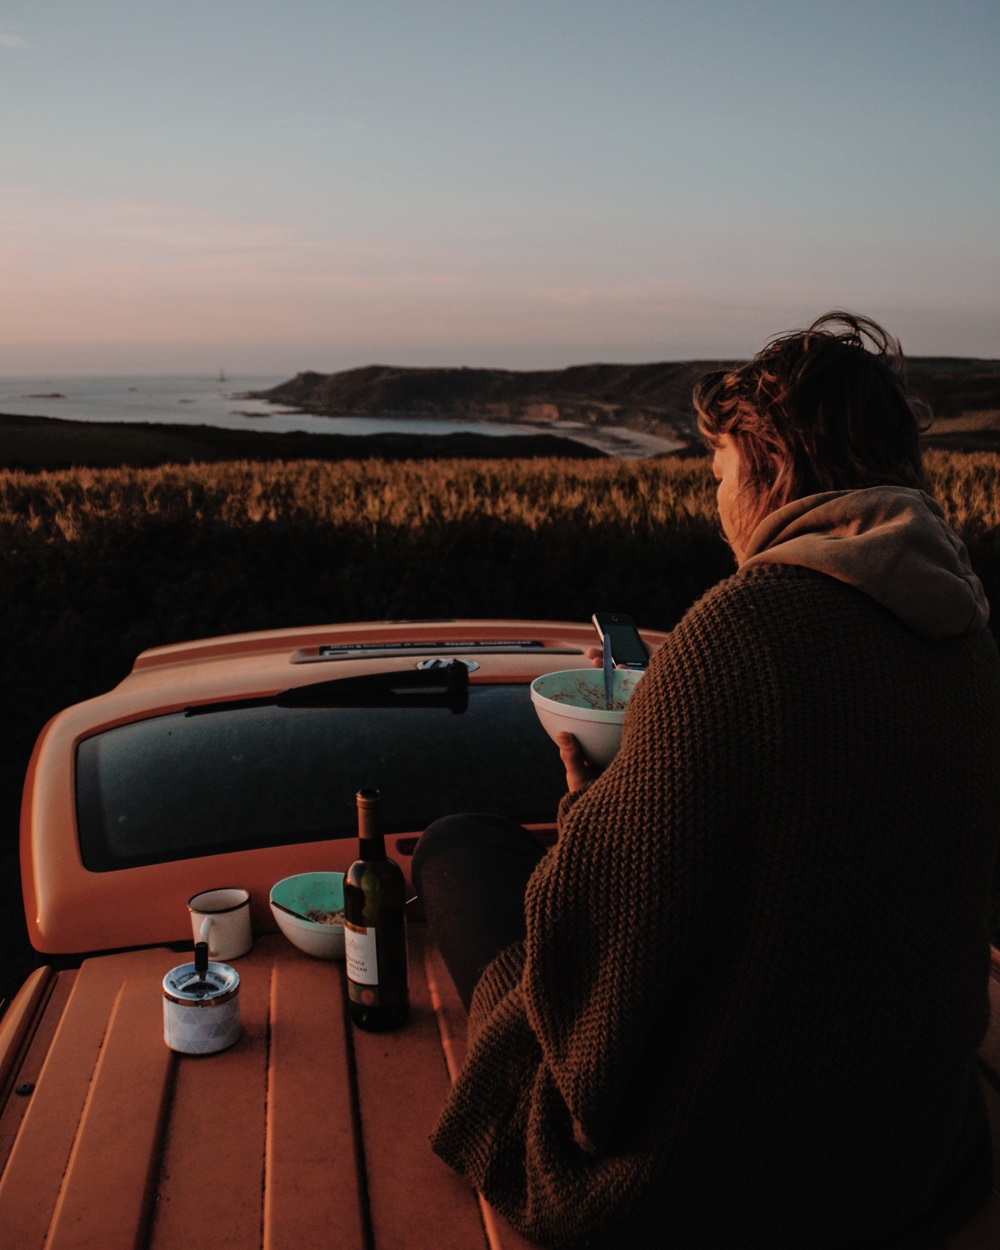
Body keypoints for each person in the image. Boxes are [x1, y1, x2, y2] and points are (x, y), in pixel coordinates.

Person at [411, 312, 1000, 1249]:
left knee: (460, 850)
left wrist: (591, 804)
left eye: (720, 470)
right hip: (908, 1143)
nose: (716, 497)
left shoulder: (743, 628)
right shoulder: (961, 627)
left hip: (730, 1170)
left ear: (772, 464)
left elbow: (601, 958)